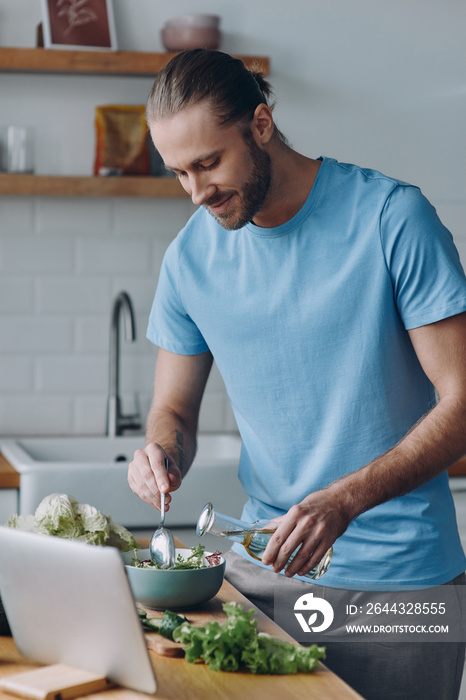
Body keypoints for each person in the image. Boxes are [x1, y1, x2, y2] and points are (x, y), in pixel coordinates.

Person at [128, 49, 466, 699]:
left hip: (398, 587)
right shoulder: (190, 257)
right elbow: (173, 412)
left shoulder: (392, 218)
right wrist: (162, 455)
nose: (198, 192)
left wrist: (344, 501)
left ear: (261, 125)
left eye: (209, 163)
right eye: (179, 173)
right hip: (264, 579)